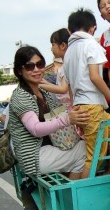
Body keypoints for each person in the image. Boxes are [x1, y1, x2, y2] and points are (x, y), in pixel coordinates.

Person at [8, 45, 88, 179]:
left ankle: (70, 192)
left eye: (40, 64)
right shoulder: (20, 96)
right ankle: (73, 195)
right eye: (29, 66)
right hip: (34, 157)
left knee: (83, 146)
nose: (36, 70)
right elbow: (35, 129)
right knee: (85, 151)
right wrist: (67, 119)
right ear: (19, 71)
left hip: (49, 148)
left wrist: (75, 110)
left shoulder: (43, 92)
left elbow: (54, 115)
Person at [63, 8, 110, 178]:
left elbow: (69, 85)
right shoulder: (91, 45)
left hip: (84, 106)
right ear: (92, 29)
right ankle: (84, 195)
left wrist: (74, 108)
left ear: (70, 30)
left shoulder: (68, 53)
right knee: (95, 155)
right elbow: (95, 77)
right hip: (92, 107)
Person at [40, 28, 71, 107]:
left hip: (69, 107)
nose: (51, 48)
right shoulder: (66, 65)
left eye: (53, 45)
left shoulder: (67, 66)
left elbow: (63, 89)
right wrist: (46, 83)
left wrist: (39, 86)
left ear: (63, 46)